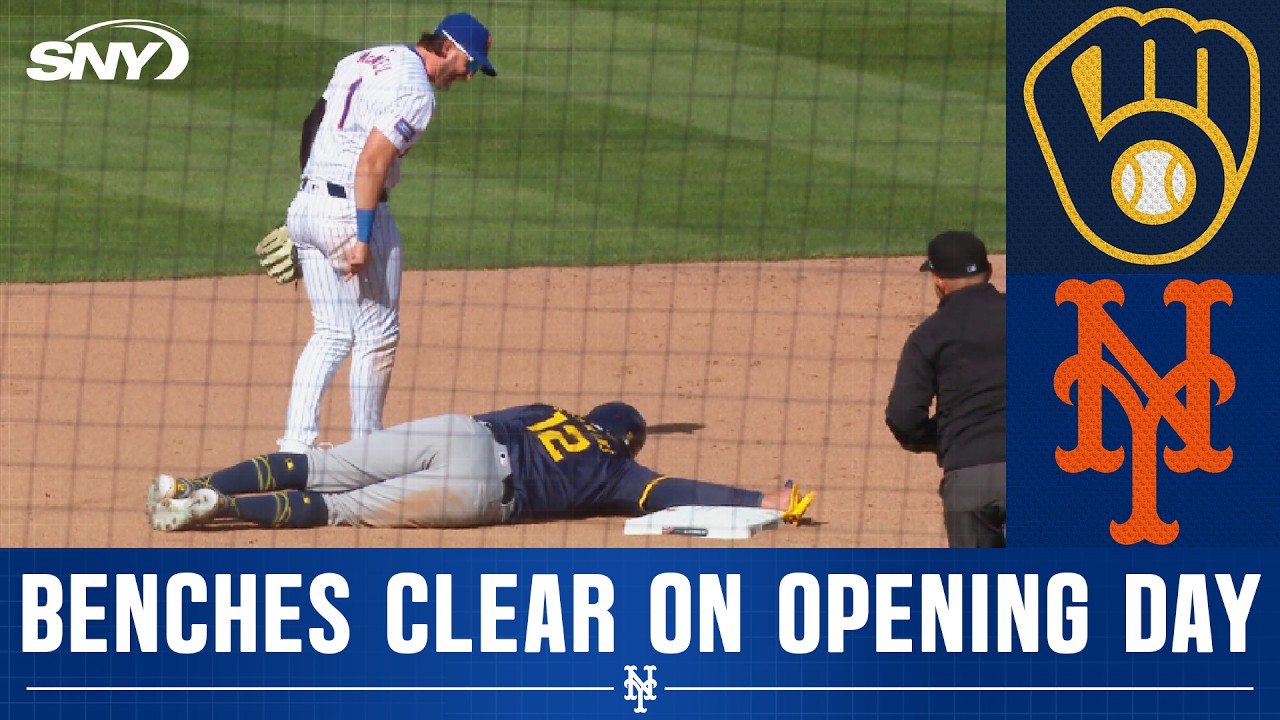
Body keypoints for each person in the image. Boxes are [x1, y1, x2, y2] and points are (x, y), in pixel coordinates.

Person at [278, 13, 497, 453]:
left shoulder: (363, 58)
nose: (470, 75)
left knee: (332, 332)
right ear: (449, 47)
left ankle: (295, 448)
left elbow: (311, 124)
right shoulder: (417, 92)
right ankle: (367, 451)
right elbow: (372, 163)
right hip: (354, 213)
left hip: (308, 205)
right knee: (377, 332)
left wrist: (304, 209)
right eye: (471, 63)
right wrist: (360, 238)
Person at [146, 402, 816, 531]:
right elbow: (674, 493)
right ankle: (222, 512)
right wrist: (760, 497)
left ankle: (199, 484)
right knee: (341, 509)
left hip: (461, 434)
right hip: (482, 494)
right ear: (629, 441)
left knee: (323, 466)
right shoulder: (622, 474)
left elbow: (501, 416)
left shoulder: (551, 409)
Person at [885, 231, 1006, 548]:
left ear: (938, 281)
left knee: (980, 596)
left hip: (970, 482)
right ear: (989, 271)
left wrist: (952, 437)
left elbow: (903, 417)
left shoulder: (928, 336)